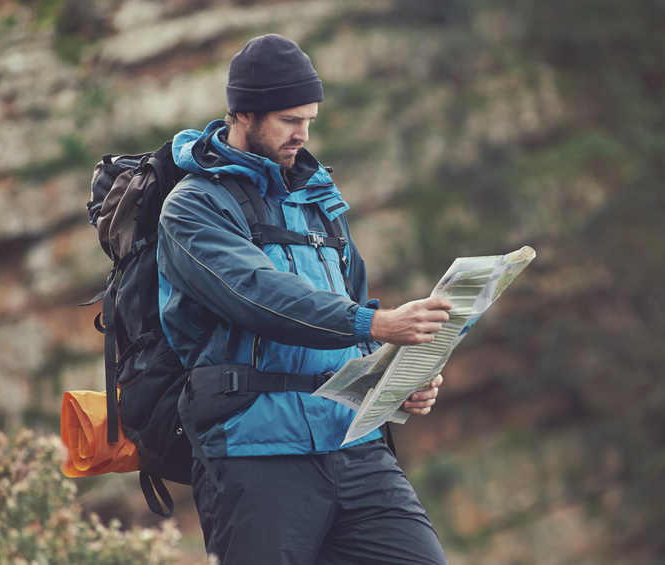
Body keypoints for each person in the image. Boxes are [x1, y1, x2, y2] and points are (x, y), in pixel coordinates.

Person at [157, 33, 451, 564]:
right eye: (289, 120)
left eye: (309, 119)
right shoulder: (193, 207)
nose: (303, 134)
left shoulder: (319, 199)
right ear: (242, 114)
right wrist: (378, 324)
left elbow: (354, 309)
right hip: (256, 454)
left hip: (355, 446)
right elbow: (258, 294)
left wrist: (396, 378)